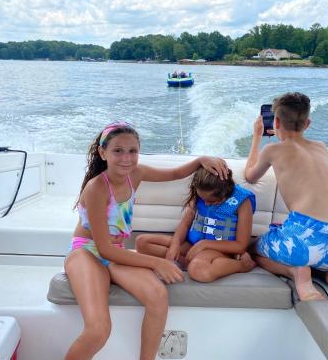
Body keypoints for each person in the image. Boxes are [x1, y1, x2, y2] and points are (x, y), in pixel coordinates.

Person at [64, 121, 229, 360]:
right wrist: (156, 263)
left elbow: (174, 174)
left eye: (133, 151)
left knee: (158, 295)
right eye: (118, 151)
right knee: (99, 329)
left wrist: (200, 160)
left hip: (116, 252)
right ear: (103, 153)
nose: (126, 158)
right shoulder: (97, 188)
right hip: (87, 253)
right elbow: (104, 249)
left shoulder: (136, 174)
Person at [244, 92, 328, 302]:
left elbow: (250, 175)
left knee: (252, 248)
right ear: (308, 123)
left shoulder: (273, 150)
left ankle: (296, 273)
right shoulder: (322, 147)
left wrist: (256, 137)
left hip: (306, 242)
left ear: (276, 122)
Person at [136, 167, 257, 282]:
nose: (206, 204)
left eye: (211, 201)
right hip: (192, 245)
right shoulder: (202, 193)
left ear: (225, 193)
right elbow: (185, 225)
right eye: (202, 199)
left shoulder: (243, 202)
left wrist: (204, 244)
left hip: (219, 251)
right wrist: (175, 245)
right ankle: (188, 261)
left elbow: (240, 246)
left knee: (199, 271)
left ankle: (242, 265)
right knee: (141, 242)